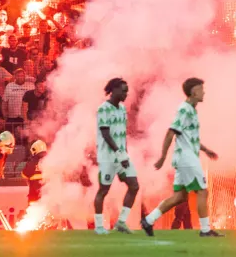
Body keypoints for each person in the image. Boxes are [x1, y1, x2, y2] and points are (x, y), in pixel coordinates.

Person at [141, 78, 223, 237]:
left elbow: (190, 137)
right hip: (186, 159)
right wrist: (163, 157)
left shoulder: (192, 110)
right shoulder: (184, 109)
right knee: (202, 191)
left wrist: (206, 150)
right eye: (201, 89)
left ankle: (148, 220)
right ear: (193, 92)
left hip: (186, 157)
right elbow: (171, 132)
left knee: (179, 197)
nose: (203, 92)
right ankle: (205, 230)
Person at [94, 78, 140, 234]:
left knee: (134, 186)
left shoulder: (122, 109)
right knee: (103, 191)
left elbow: (123, 135)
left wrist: (124, 153)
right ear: (114, 90)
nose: (126, 93)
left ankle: (121, 222)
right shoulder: (103, 109)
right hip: (107, 157)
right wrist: (120, 153)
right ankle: (99, 226)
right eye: (123, 90)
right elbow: (106, 134)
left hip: (121, 157)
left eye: (127, 90)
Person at [22, 140, 48, 204]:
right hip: (49, 198)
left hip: (34, 197)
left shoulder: (32, 162)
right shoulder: (52, 159)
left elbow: (24, 174)